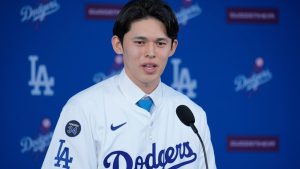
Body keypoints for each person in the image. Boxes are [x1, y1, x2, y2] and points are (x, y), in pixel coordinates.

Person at [42, 0, 217, 168]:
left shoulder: (193, 115)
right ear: (118, 44)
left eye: (160, 43)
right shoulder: (83, 109)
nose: (150, 52)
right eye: (140, 42)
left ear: (172, 47)